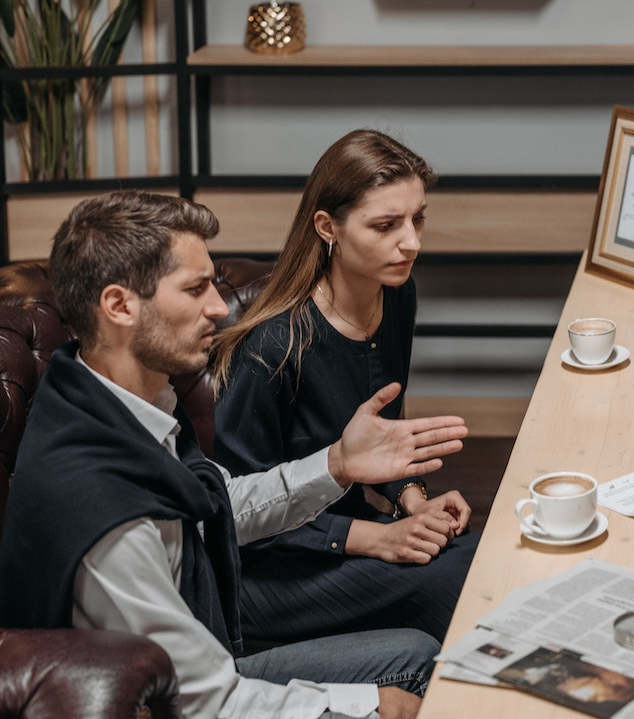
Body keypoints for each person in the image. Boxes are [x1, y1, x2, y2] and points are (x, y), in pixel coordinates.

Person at [0, 190, 466, 719]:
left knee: (418, 654)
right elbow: (207, 702)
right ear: (119, 306)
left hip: (204, 666)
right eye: (195, 288)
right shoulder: (103, 516)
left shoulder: (117, 400)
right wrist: (369, 704)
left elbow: (219, 503)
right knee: (408, 683)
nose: (220, 308)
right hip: (174, 701)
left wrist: (336, 464)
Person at [210, 129, 477, 646]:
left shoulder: (396, 294)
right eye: (386, 225)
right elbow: (236, 516)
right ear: (327, 227)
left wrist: (415, 504)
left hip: (348, 542)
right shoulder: (273, 345)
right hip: (266, 577)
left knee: (476, 556)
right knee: (459, 580)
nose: (412, 242)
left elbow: (382, 439)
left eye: (417, 218)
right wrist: (380, 538)